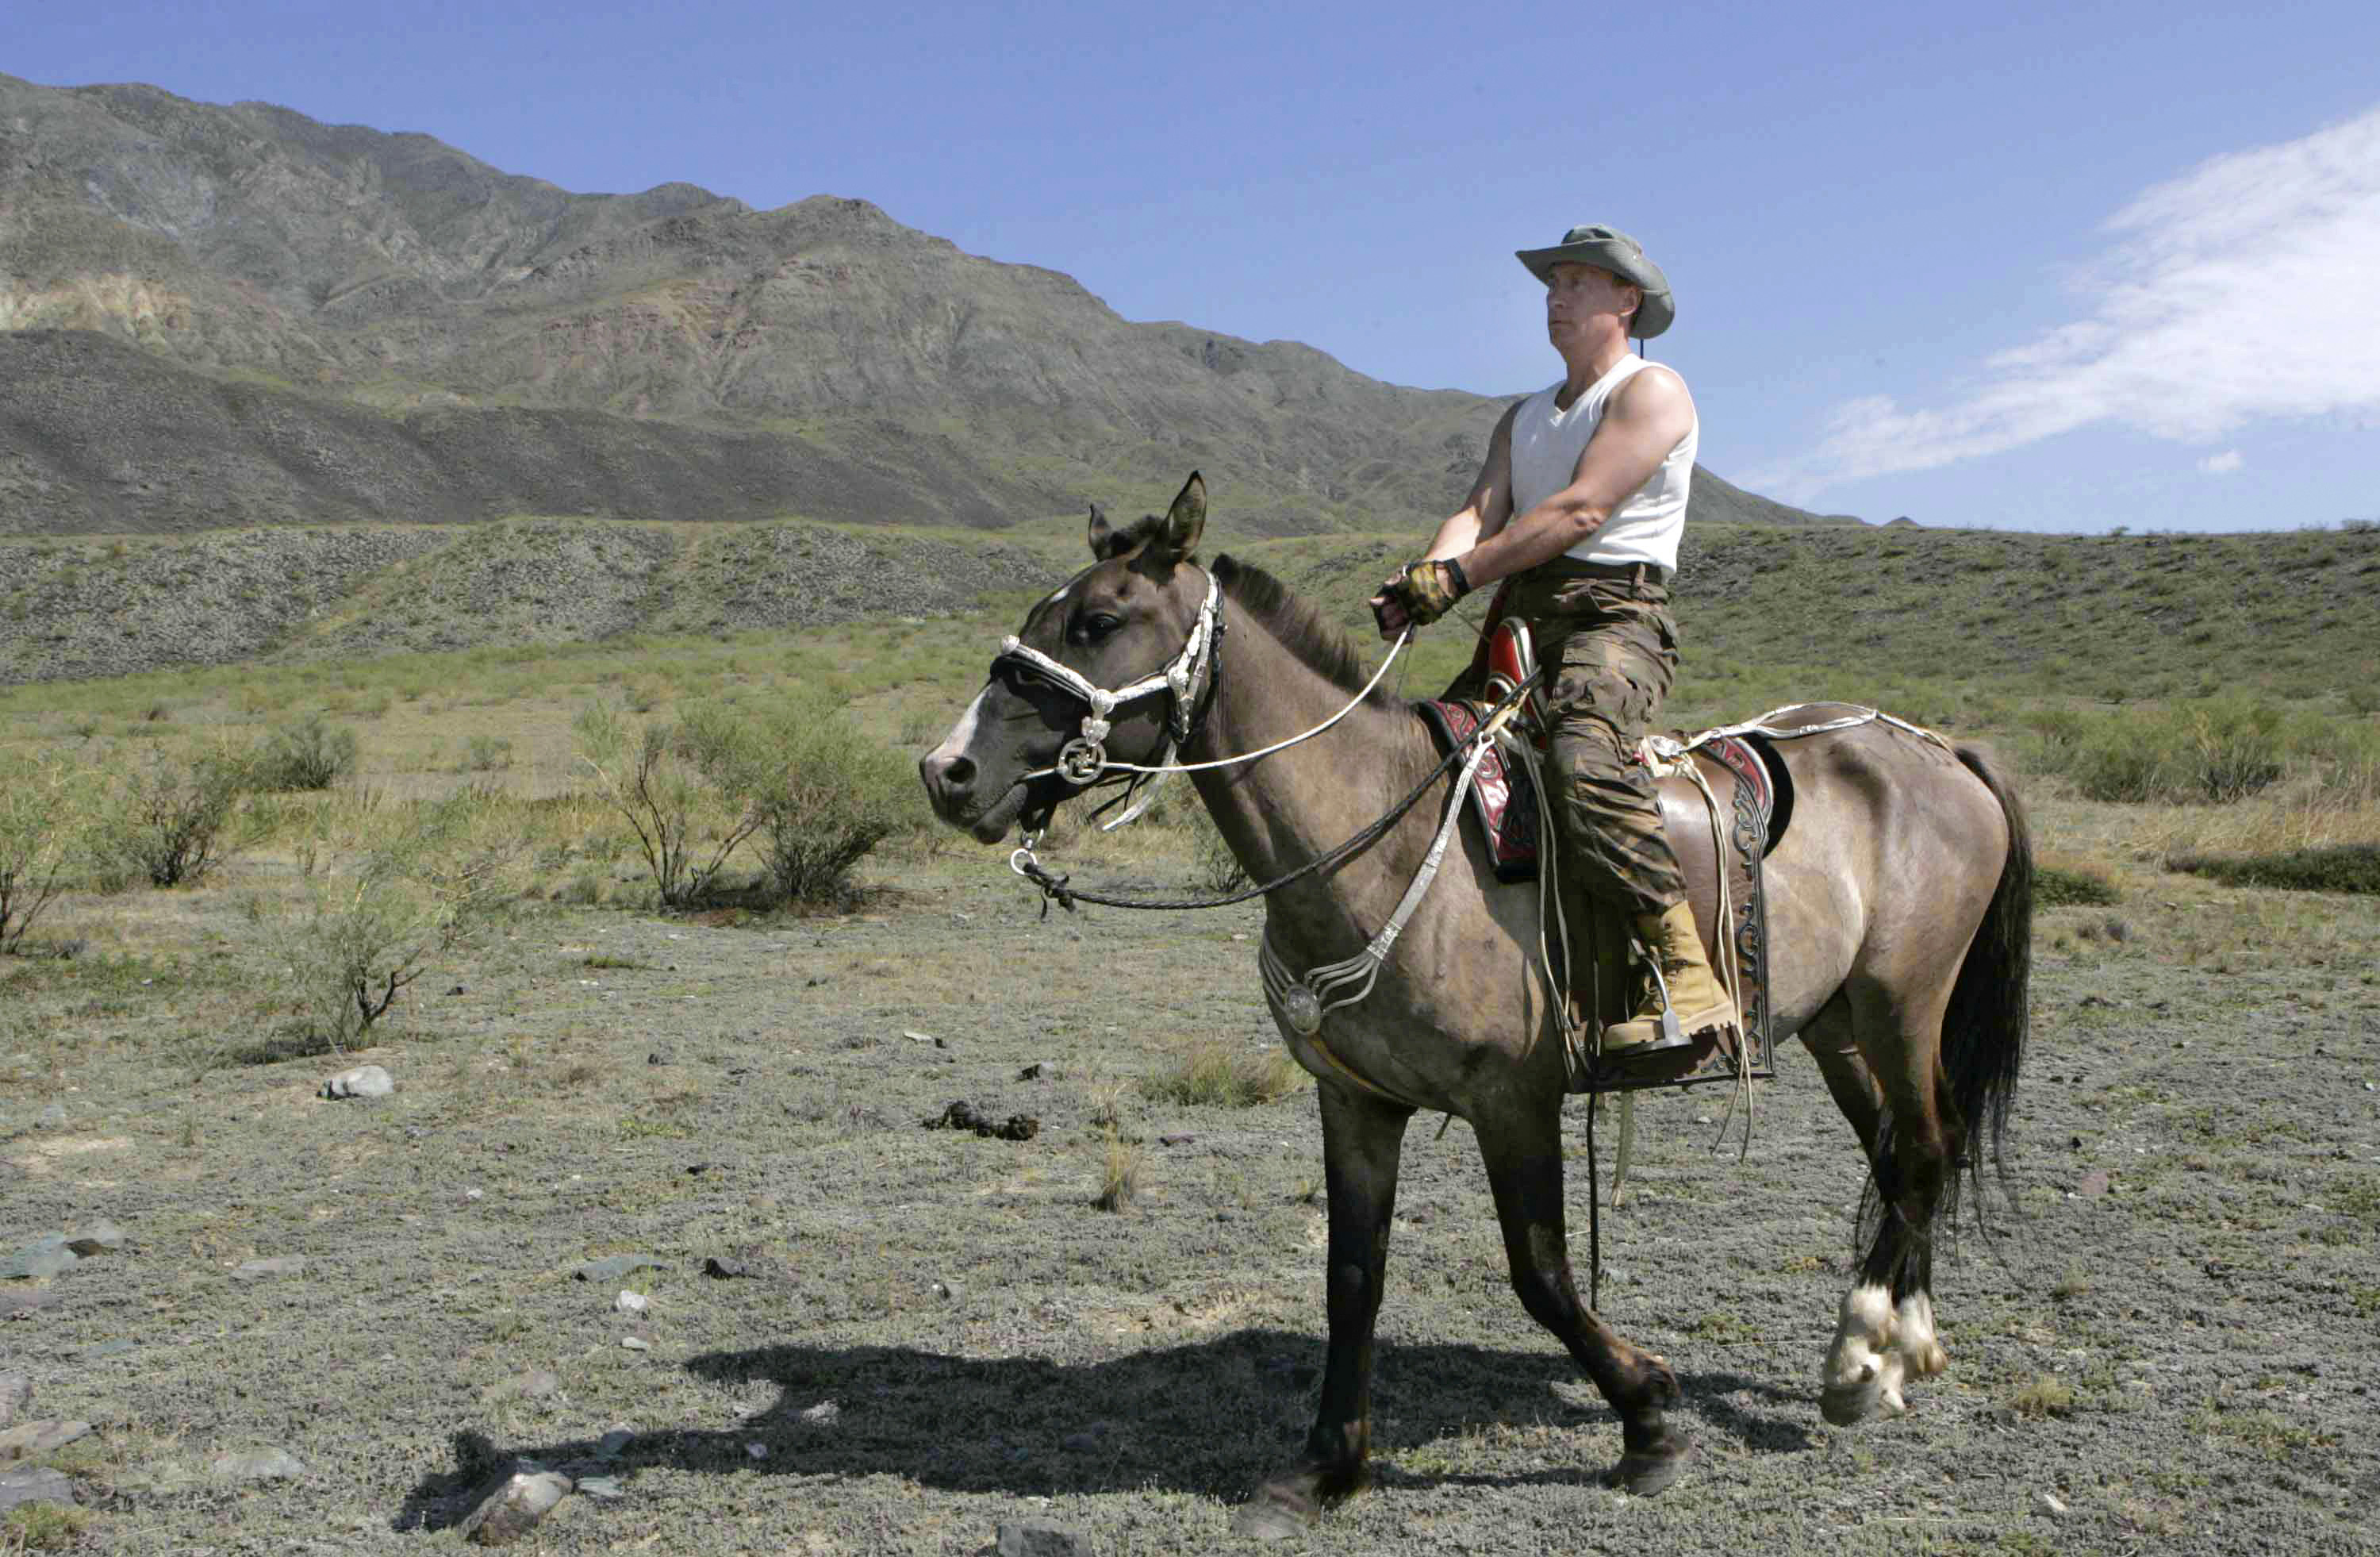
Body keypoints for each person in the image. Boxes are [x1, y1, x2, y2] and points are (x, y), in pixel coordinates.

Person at [1370, 223, 1736, 1067]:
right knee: (1423, 757)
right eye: (1552, 283)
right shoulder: (1525, 416)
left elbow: (1579, 512)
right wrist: (1427, 572)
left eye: (1579, 282)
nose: (1557, 297)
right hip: (1523, 619)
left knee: (1581, 758)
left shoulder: (1654, 391)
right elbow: (1479, 510)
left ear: (1626, 300)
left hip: (1617, 619)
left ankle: (1687, 975)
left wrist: (1459, 579)